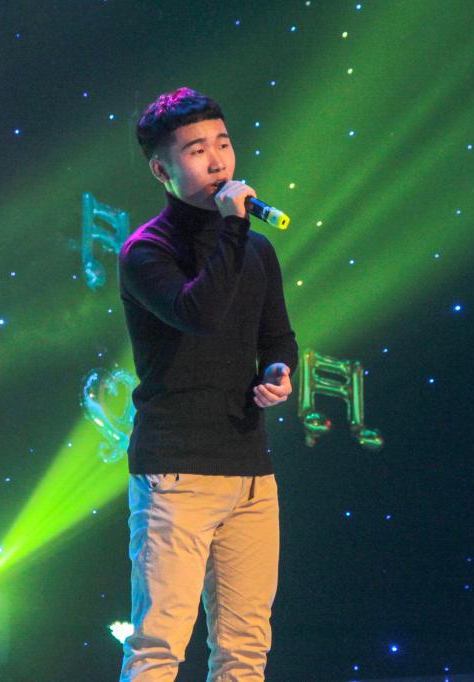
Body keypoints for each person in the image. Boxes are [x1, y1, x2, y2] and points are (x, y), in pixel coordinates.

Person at [116, 87, 298, 682]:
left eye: (223, 143)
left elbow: (278, 337)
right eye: (197, 150)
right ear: (161, 170)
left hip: (250, 474)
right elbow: (200, 313)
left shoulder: (256, 250)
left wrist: (278, 372)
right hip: (177, 473)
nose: (218, 160)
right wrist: (233, 228)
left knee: (246, 651)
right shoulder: (146, 251)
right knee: (158, 647)